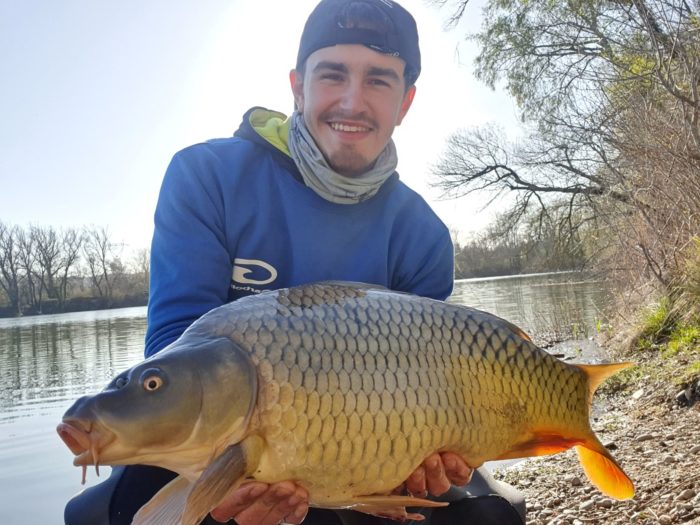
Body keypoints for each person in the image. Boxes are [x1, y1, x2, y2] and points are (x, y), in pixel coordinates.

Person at [64, 1, 525, 524]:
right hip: (226, 439)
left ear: (406, 102)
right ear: (298, 86)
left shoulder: (421, 234)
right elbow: (175, 348)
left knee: (490, 516)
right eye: (332, 75)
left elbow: (437, 383)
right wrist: (221, 486)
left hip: (365, 449)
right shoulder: (207, 177)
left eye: (379, 80)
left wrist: (429, 459)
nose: (352, 101)